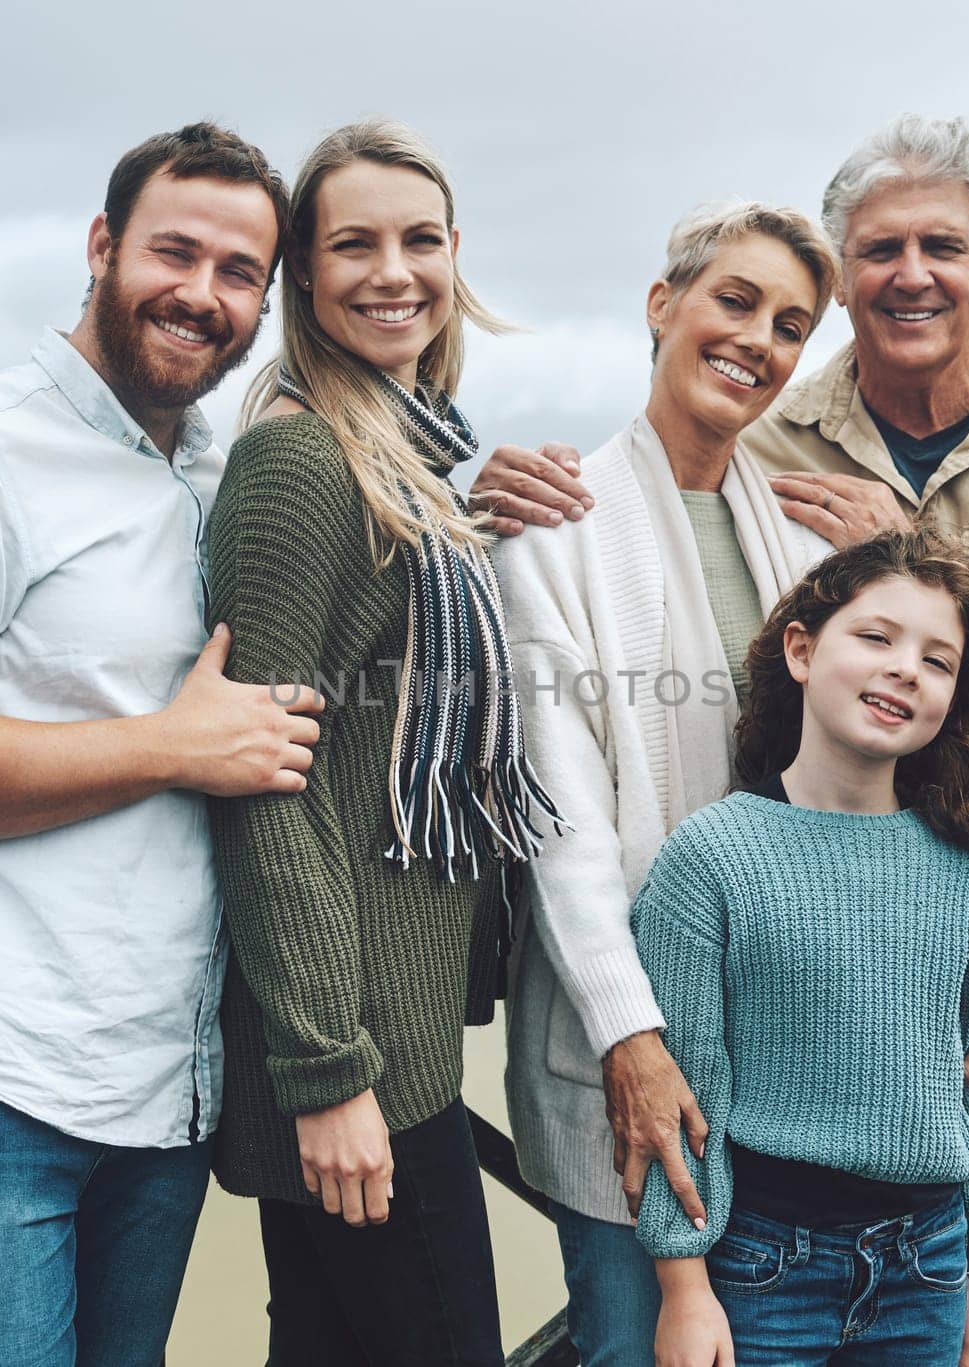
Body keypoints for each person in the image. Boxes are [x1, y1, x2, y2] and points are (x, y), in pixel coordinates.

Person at [479, 116, 969, 1365]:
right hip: (700, 1024)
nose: (757, 342)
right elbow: (561, 808)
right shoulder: (679, 486)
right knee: (673, 1327)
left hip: (957, 995)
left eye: (782, 322)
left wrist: (938, 581)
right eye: (878, 249)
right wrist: (461, 496)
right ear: (661, 302)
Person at [0, 123, 325, 1367]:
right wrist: (173, 744)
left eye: (239, 271)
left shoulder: (220, 473)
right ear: (102, 246)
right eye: (174, 252)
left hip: (165, 1081)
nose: (201, 293)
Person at [202, 118, 561, 1367]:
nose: (392, 270)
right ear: (303, 269)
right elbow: (262, 783)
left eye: (419, 240)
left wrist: (485, 521)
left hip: (390, 1039)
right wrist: (323, 1069)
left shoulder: (414, 454)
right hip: (352, 1058)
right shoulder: (304, 458)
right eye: (353, 244)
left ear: (457, 254)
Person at [637, 526, 969, 1367]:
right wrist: (684, 1290)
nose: (907, 666)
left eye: (938, 660)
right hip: (763, 1265)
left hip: (930, 1267)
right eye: (876, 637)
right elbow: (687, 1092)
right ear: (801, 649)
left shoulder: (967, 866)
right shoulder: (712, 853)